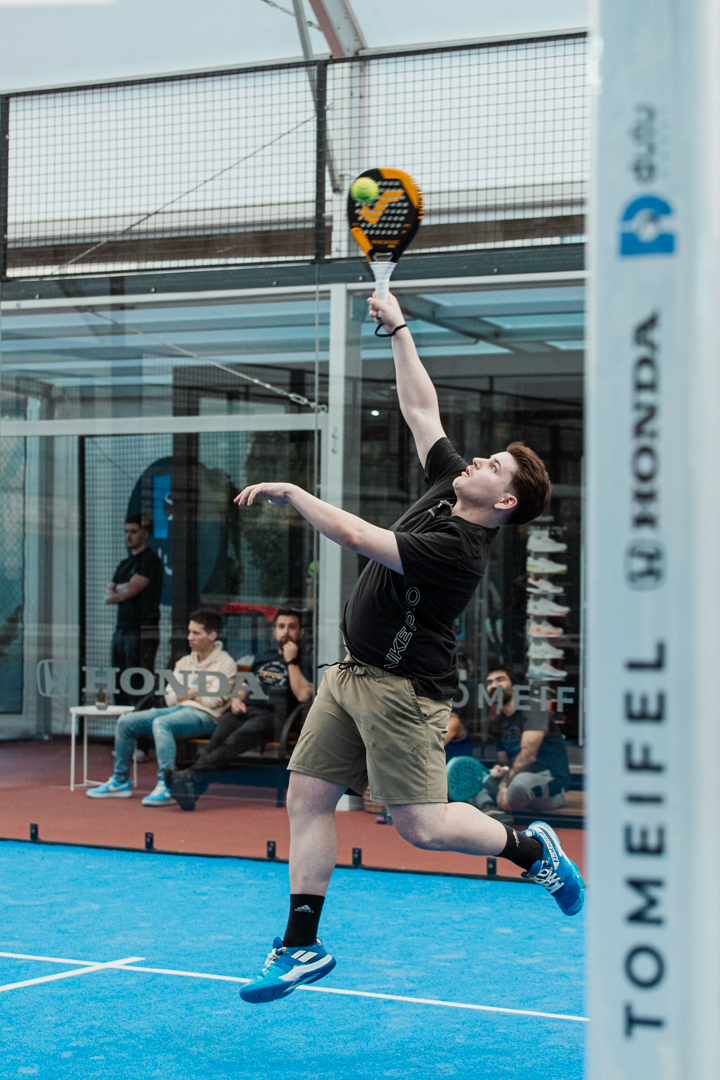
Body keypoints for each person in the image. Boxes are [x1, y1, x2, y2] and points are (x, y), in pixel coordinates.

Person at [232, 290, 584, 1005]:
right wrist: (398, 327)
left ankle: (530, 849)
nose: (477, 459)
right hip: (348, 675)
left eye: (493, 465)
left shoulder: (460, 550)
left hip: (402, 692)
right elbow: (421, 408)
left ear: (504, 501)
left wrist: (295, 492)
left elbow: (358, 536)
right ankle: (301, 945)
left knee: (421, 827)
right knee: (307, 797)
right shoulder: (451, 485)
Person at [87, 608, 237, 806]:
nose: (189, 637)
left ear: (212, 636)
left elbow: (214, 701)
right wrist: (200, 690)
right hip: (177, 711)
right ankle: (120, 782)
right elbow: (170, 698)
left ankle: (167, 785)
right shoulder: (184, 662)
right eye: (189, 632)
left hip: (206, 716)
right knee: (126, 721)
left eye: (196, 633)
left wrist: (187, 691)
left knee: (162, 723)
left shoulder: (225, 663)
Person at [168, 609, 314, 810]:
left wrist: (291, 660)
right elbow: (246, 683)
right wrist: (237, 699)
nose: (286, 632)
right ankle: (190, 788)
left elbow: (303, 694)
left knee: (234, 741)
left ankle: (189, 777)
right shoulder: (263, 656)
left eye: (292, 627)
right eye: (281, 627)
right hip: (246, 710)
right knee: (217, 740)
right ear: (274, 632)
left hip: (274, 718)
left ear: (301, 632)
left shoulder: (306, 659)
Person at [447, 668, 571, 821]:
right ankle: (489, 808)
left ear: (514, 686)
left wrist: (504, 785)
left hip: (547, 781)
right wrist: (500, 769)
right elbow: (504, 761)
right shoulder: (499, 722)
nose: (493, 685)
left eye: (500, 679)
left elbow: (528, 756)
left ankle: (496, 805)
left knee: (519, 784)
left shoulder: (534, 709)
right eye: (489, 682)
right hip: (514, 780)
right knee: (470, 780)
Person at [105, 514, 163, 705]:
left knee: (138, 683)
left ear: (145, 533)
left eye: (133, 531)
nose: (128, 536)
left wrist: (120, 589)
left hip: (141, 630)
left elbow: (131, 590)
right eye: (126, 531)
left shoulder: (150, 561)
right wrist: (123, 589)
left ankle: (140, 720)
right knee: (119, 682)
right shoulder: (124, 564)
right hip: (121, 629)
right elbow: (108, 596)